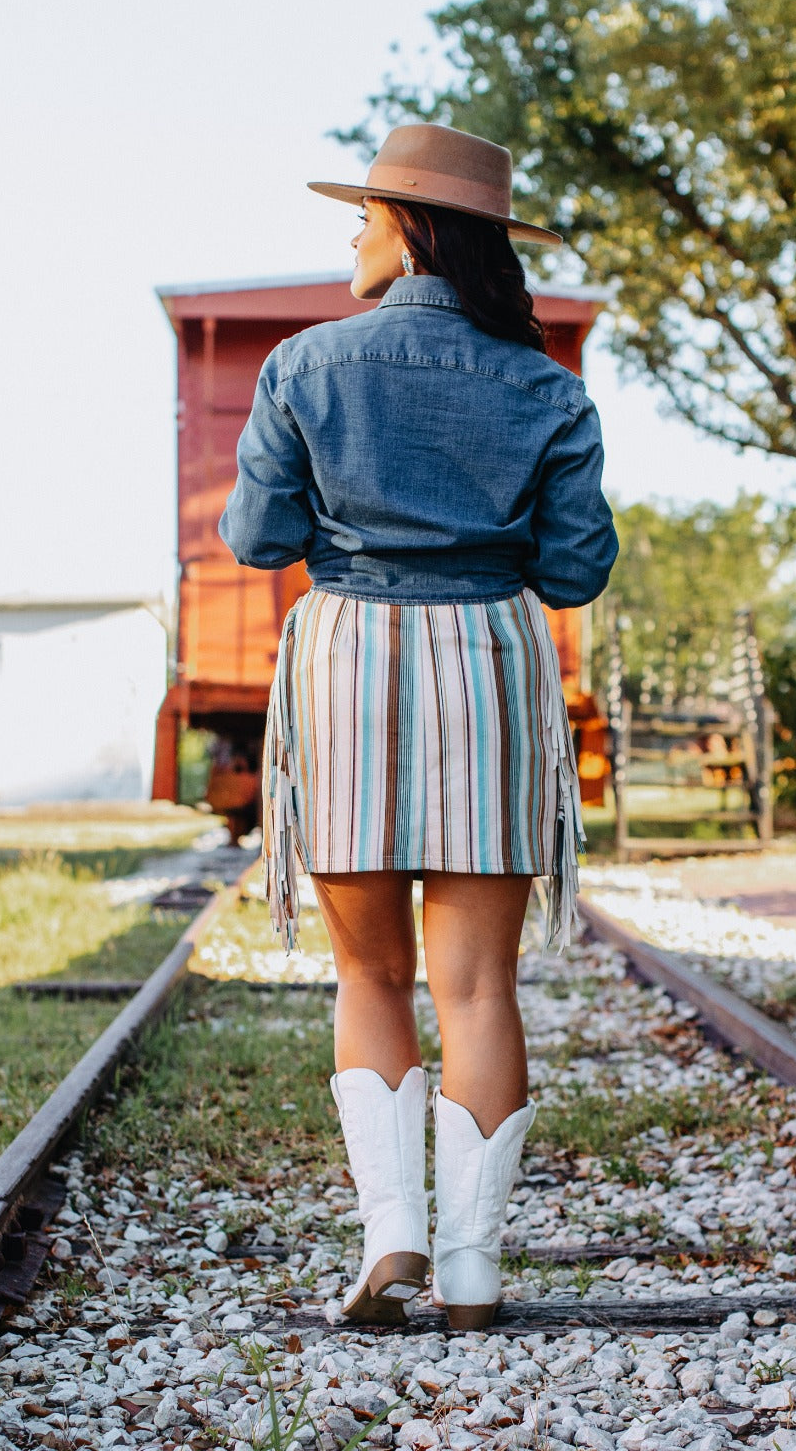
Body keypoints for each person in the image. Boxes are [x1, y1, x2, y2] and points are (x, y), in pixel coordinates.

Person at [219, 123, 618, 1329]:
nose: (351, 233)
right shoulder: (548, 386)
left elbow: (255, 540)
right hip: (490, 657)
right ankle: (476, 1264)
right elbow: (576, 569)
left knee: (369, 968)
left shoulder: (304, 365)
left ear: (407, 227)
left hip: (347, 657)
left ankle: (391, 1233)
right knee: (480, 984)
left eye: (363, 213)